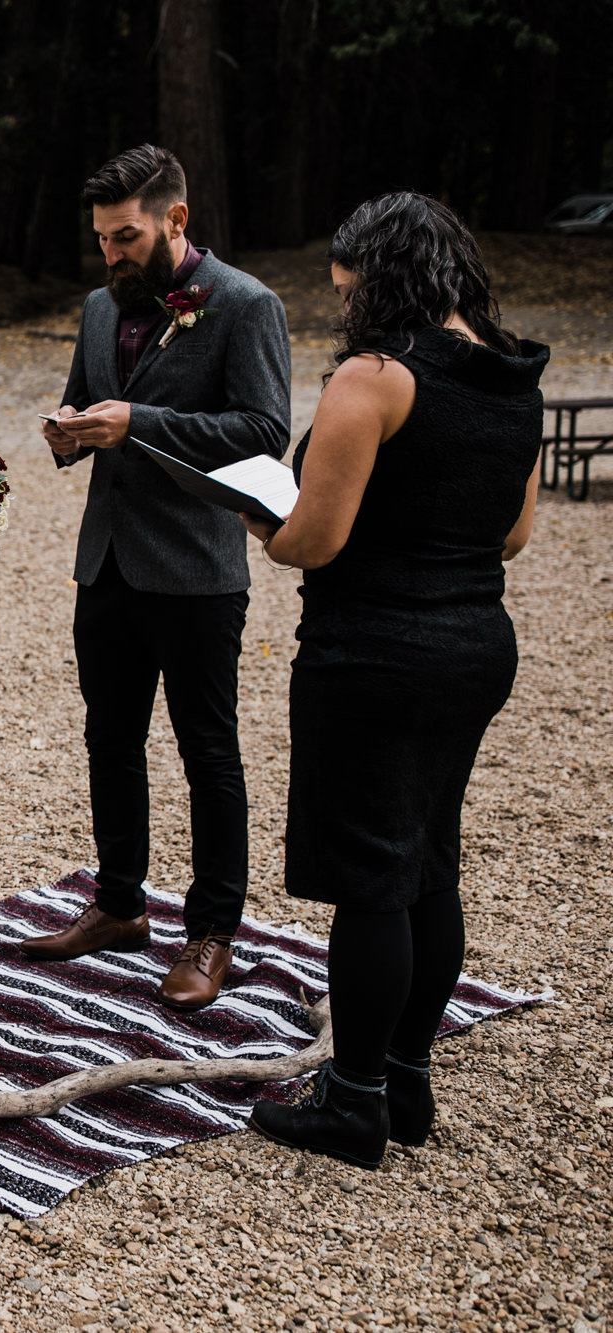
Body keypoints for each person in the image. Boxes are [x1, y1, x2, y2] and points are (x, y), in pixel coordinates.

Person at [246, 195, 546, 1168]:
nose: (344, 314)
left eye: (347, 293)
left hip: (373, 650)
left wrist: (258, 520)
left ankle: (353, 1099)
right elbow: (511, 533)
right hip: (473, 643)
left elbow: (314, 539)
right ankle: (407, 1078)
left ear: (381, 281)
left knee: (370, 875)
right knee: (426, 859)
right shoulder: (513, 379)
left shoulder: (371, 381)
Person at [22, 144, 291, 1012]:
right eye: (101, 238)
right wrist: (66, 434)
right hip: (105, 560)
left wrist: (140, 420)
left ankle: (211, 932)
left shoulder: (248, 305)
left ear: (176, 219)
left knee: (209, 753)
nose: (110, 254)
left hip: (197, 568)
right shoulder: (100, 308)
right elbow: (83, 401)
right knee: (111, 739)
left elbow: (263, 431)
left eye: (125, 235)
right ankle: (119, 905)